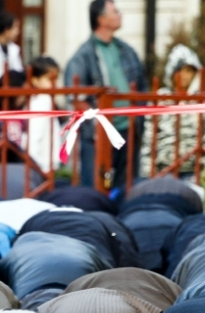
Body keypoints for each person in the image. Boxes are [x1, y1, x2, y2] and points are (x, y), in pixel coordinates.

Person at [65, 0, 146, 190]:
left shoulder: (127, 51)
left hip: (128, 130)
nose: (120, 15)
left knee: (127, 189)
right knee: (95, 190)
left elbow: (142, 87)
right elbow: (76, 98)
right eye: (115, 12)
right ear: (101, 19)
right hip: (99, 136)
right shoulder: (83, 56)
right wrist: (99, 122)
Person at [139, 45, 205, 178]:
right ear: (172, 72)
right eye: (180, 70)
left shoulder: (202, 100)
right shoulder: (160, 99)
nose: (184, 75)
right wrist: (147, 173)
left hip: (194, 170)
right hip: (163, 170)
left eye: (189, 71)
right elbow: (149, 138)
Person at [26, 57, 63, 173]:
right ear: (35, 80)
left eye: (56, 78)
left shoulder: (46, 101)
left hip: (46, 164)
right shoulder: (42, 102)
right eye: (49, 79)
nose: (54, 83)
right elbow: (33, 138)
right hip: (42, 166)